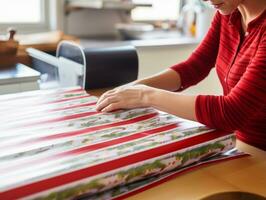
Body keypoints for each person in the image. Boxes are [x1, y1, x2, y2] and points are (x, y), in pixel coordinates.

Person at [96, 0, 266, 151]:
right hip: (242, 145)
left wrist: (145, 95)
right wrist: (132, 88)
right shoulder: (229, 14)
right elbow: (194, 66)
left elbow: (231, 113)